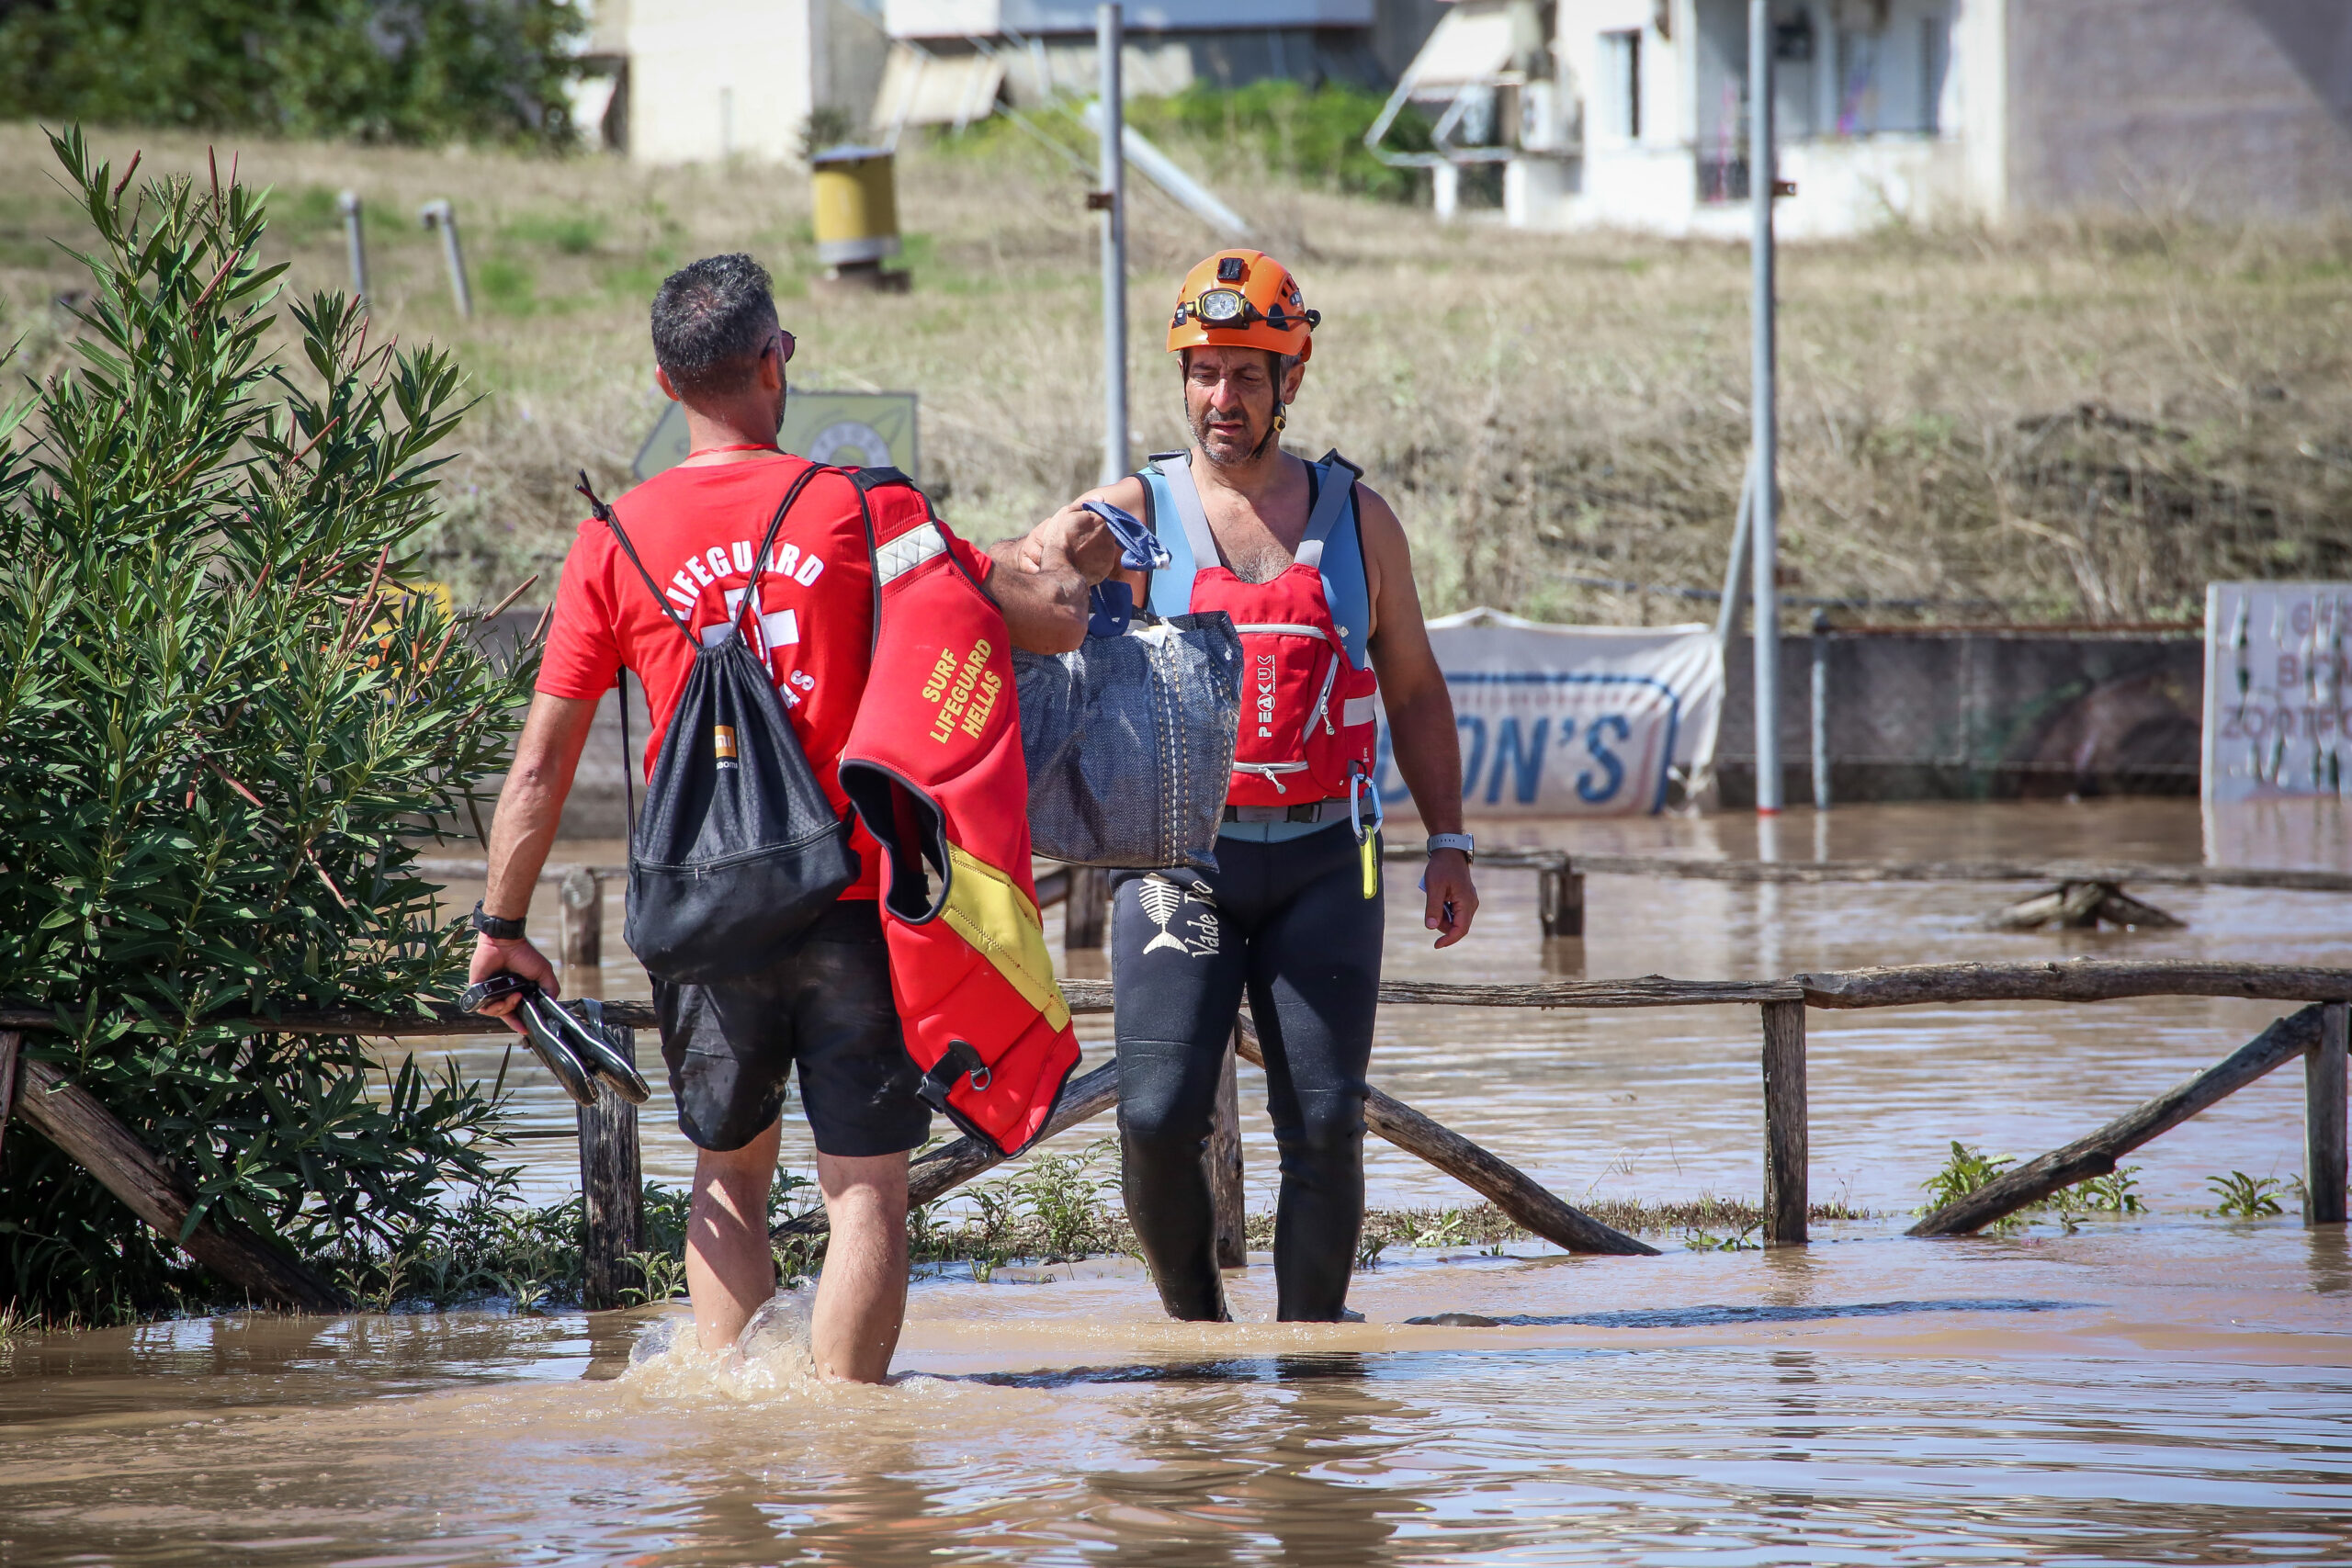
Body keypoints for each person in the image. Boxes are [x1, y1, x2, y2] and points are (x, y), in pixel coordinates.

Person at [468, 254, 1092, 1380]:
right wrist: (1063, 566)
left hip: (705, 914)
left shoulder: (611, 539)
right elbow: (1041, 622)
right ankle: (855, 1462)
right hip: (853, 909)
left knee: (726, 1179)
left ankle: (737, 1471)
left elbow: (541, 764)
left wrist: (501, 925)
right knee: (866, 1191)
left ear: (667, 386)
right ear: (774, 361)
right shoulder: (867, 507)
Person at [1037, 249, 1479, 1323]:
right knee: (1152, 1115)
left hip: (1332, 859)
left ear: (1292, 378)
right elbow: (1028, 588)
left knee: (1323, 1124)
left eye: (1244, 374)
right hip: (1176, 864)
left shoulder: (1358, 520)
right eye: (1202, 372)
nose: (1218, 398)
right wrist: (1050, 546)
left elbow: (1415, 690)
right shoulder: (1135, 512)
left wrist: (1451, 843)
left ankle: (1315, 1381)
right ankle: (1195, 1343)